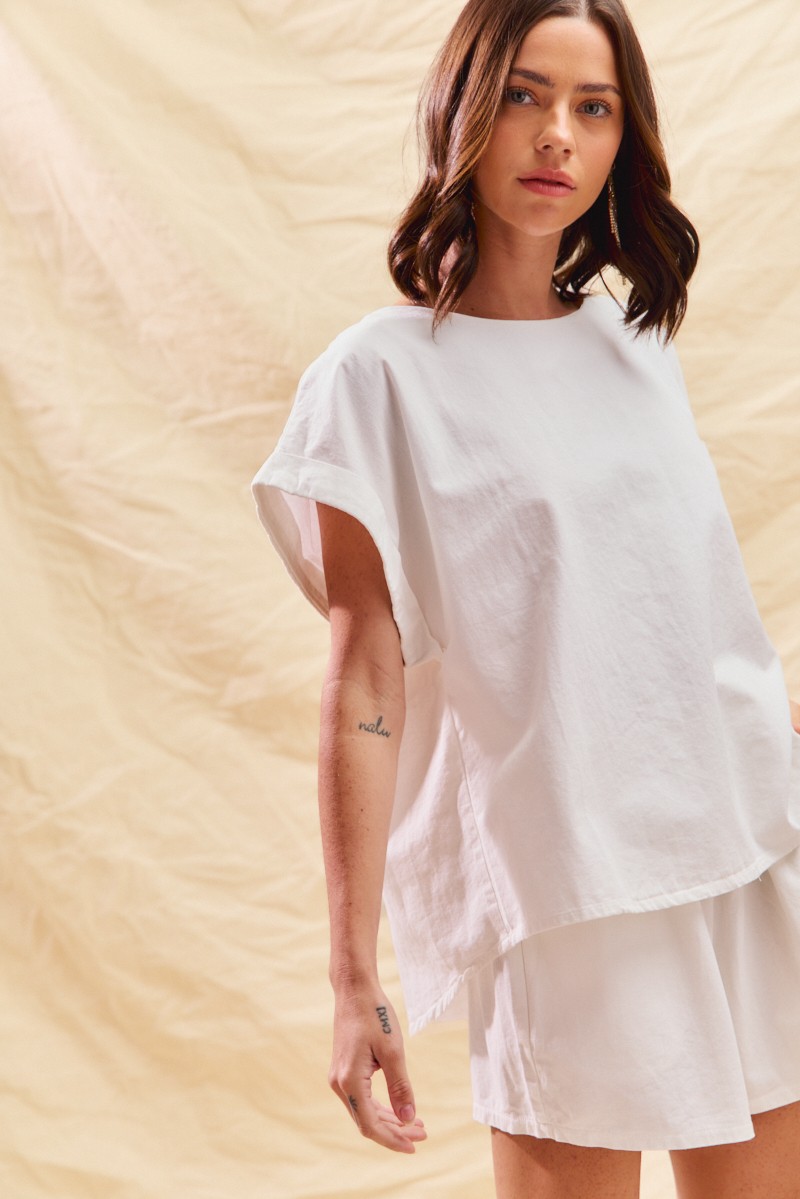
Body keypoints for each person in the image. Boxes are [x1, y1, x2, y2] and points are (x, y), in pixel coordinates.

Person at [251, 0, 800, 1194]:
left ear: (619, 141)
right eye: (523, 94)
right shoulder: (375, 379)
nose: (557, 134)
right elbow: (365, 678)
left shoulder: (634, 349)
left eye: (591, 107)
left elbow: (680, 611)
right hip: (566, 883)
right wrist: (352, 974)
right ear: (462, 109)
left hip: (746, 851)